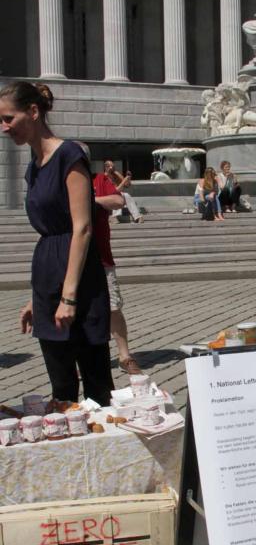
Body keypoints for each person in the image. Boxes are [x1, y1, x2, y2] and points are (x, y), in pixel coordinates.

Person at [0, 81, 113, 405]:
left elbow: (82, 229)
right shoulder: (33, 168)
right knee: (61, 385)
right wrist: (39, 298)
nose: (4, 128)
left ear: (33, 112)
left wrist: (69, 297)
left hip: (78, 280)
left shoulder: (69, 155)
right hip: (49, 272)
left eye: (8, 118)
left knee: (96, 386)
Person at [89, 150, 143, 376]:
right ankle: (82, 360)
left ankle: (124, 356)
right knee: (79, 311)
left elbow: (117, 199)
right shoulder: (63, 181)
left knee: (113, 306)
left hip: (102, 257)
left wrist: (89, 201)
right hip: (70, 257)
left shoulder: (99, 180)